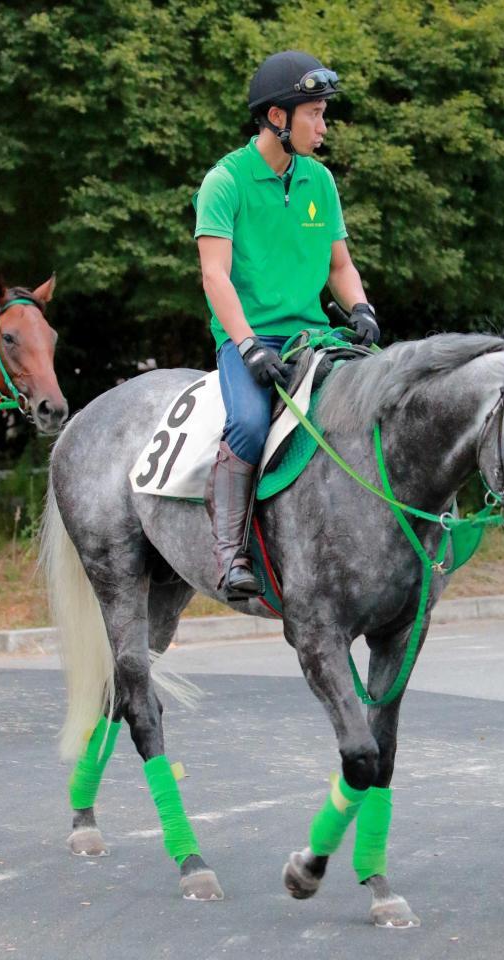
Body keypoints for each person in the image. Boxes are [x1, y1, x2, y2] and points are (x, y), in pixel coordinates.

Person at [193, 49, 379, 599]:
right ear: (278, 117)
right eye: (314, 114)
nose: (323, 126)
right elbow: (214, 277)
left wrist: (361, 309)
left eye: (323, 114)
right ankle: (229, 556)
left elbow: (339, 265)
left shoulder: (320, 181)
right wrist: (247, 344)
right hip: (250, 340)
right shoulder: (224, 182)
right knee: (249, 425)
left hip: (315, 336)